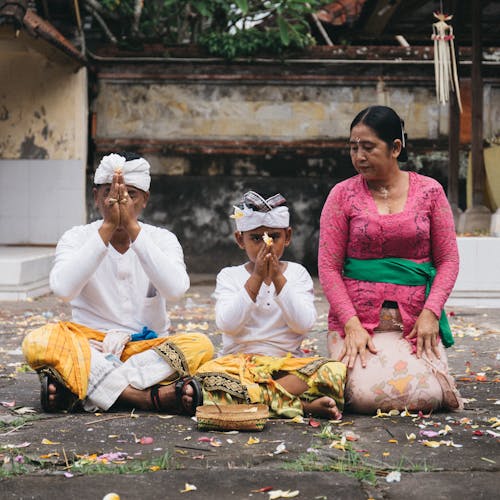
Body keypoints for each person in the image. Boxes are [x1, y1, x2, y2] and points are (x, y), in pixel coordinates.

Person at [22, 152, 213, 415]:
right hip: (90, 346)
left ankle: (84, 387)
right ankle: (143, 398)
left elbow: (176, 290)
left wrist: (133, 229)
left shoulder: (162, 239)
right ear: (96, 197)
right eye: (110, 195)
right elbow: (63, 290)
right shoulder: (76, 238)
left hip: (146, 349)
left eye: (130, 195)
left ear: (145, 200)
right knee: (38, 341)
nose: (119, 203)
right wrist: (108, 228)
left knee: (201, 345)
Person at [318, 105, 462, 414]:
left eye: (368, 147)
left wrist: (431, 314)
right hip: (358, 323)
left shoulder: (431, 192)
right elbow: (328, 268)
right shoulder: (341, 195)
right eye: (353, 147)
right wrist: (351, 324)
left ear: (395, 147)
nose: (359, 156)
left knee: (427, 395)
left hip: (414, 323)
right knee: (366, 397)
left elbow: (448, 260)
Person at [196, 191, 345, 419]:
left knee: (331, 371)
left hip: (286, 368)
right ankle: (299, 406)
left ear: (287, 237)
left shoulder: (298, 274)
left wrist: (277, 278)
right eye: (256, 238)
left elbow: (303, 324)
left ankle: (254, 399)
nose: (267, 245)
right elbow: (228, 325)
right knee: (205, 378)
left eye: (273, 237)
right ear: (240, 240)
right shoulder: (229, 276)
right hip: (239, 366)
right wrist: (256, 277)